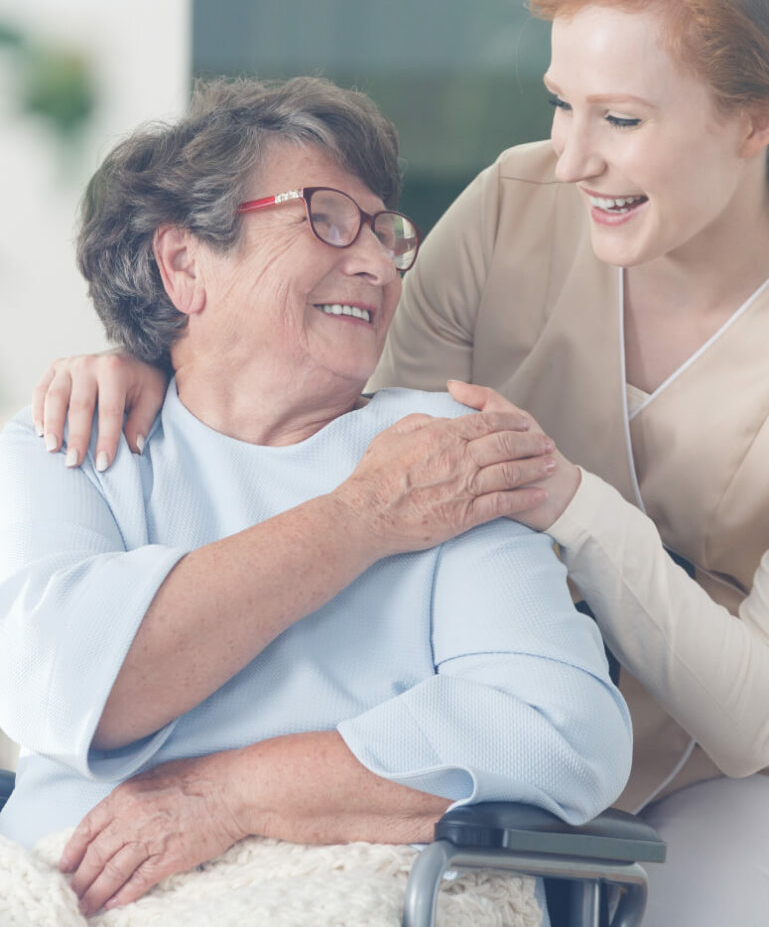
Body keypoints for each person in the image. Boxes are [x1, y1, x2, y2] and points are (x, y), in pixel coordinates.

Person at [37, 0, 769, 923]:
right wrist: (167, 353)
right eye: (561, 103)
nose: (568, 158)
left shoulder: (490, 500)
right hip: (435, 744)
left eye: (624, 118)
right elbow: (356, 413)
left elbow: (739, 718)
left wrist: (564, 501)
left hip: (690, 771)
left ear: (752, 119)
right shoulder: (520, 202)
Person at [0, 76, 632, 919]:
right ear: (185, 262)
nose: (374, 262)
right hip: (68, 888)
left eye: (383, 231)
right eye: (326, 217)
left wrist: (231, 795)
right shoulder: (79, 438)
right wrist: (362, 518)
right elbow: (67, 687)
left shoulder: (444, 454)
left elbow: (560, 732)